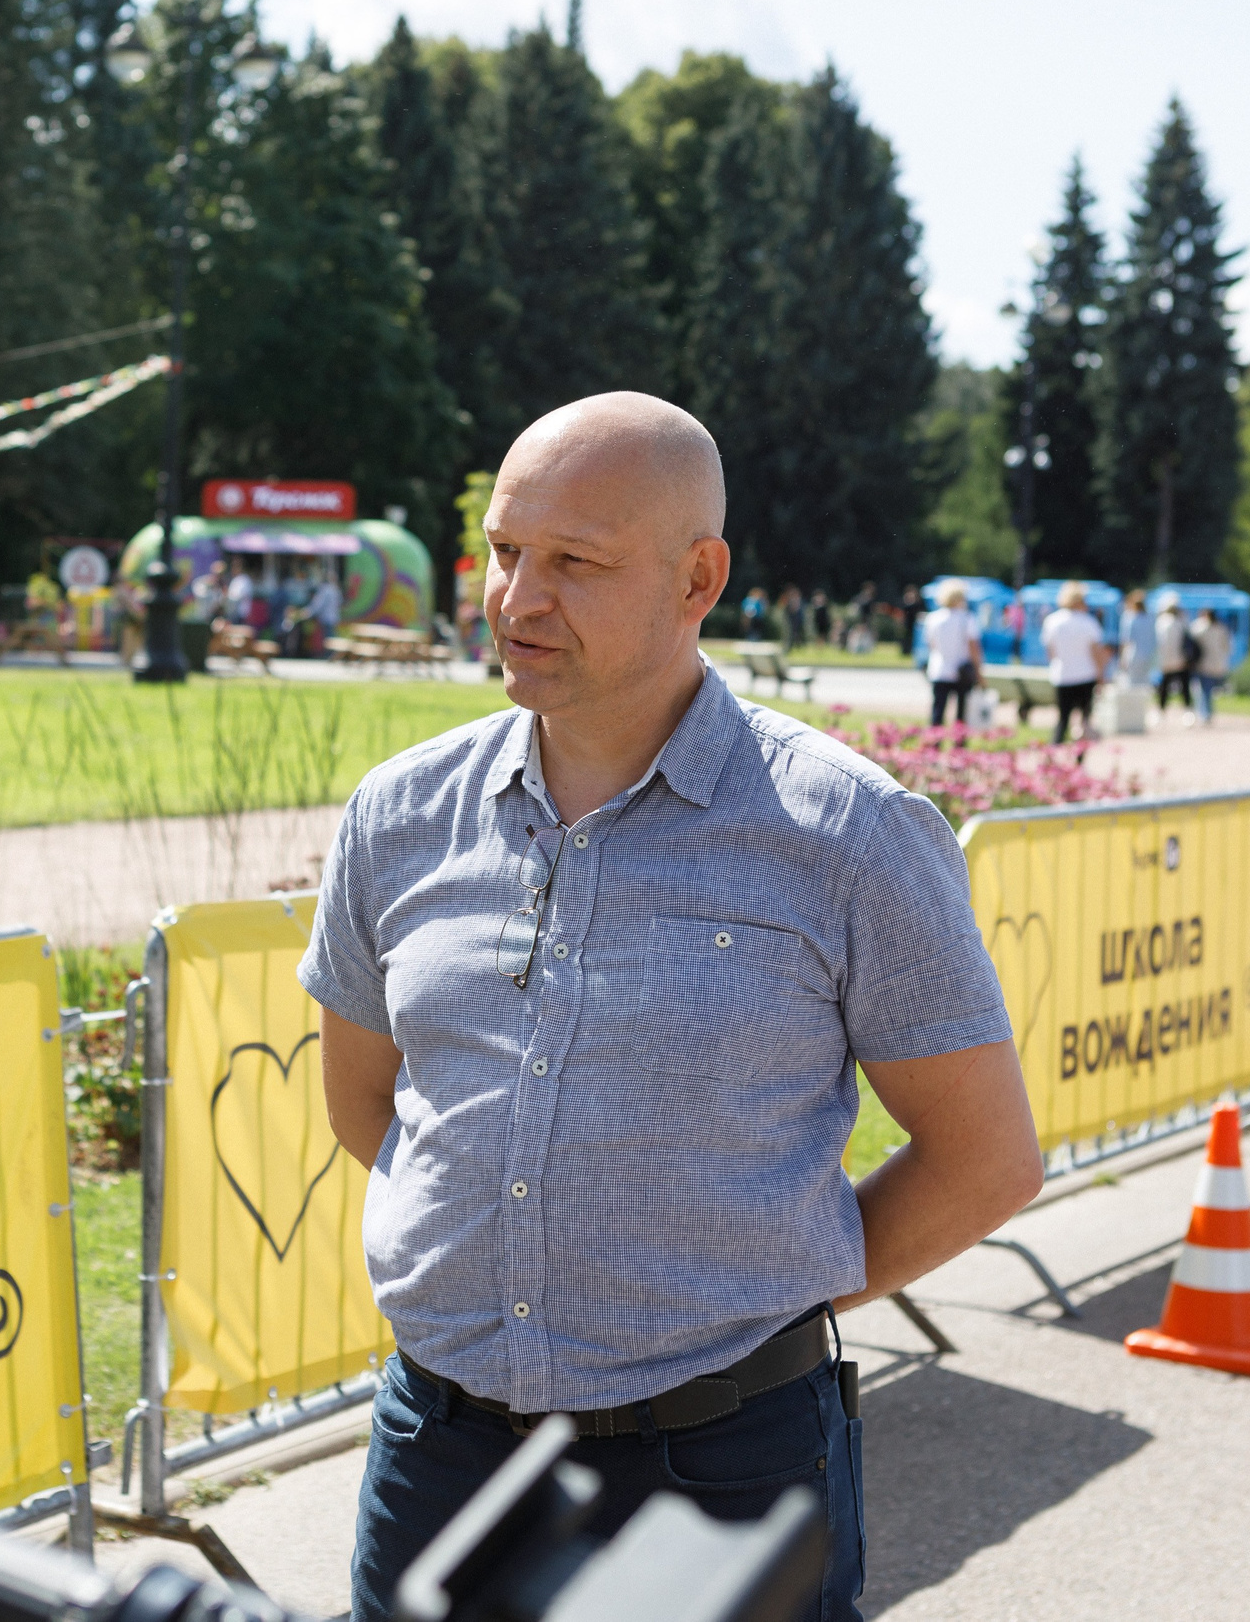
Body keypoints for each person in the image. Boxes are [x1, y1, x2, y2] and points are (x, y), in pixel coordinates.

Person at [305, 393, 1040, 1622]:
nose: (515, 598)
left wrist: (745, 1294)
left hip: (721, 1464)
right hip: (443, 1450)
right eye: (503, 551)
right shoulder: (398, 814)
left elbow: (985, 1159)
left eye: (574, 563)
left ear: (698, 578)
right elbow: (367, 1104)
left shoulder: (848, 834)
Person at [1040, 580, 1110, 745]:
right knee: (1084, 721)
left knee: (1063, 719)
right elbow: (1096, 653)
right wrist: (1101, 675)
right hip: (1086, 676)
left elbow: (1051, 653)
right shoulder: (1089, 622)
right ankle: (1079, 760)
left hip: (1062, 675)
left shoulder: (1052, 621)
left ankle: (1054, 755)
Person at [924, 580, 980, 727]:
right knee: (961, 714)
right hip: (961, 670)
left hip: (939, 669)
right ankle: (959, 745)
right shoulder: (967, 618)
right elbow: (973, 647)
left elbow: (931, 645)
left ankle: (934, 743)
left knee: (938, 712)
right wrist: (979, 671)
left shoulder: (932, 618)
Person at [1153, 595, 1194, 722]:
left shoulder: (1161, 622)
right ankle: (1187, 712)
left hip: (1167, 661)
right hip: (1181, 660)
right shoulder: (1182, 621)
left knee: (1165, 687)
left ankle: (1161, 711)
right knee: (1184, 687)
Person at [1192, 606, 1233, 723]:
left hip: (1204, 663)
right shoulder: (1221, 629)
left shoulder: (1200, 628)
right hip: (1217, 663)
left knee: (1204, 689)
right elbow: (1228, 647)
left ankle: (1205, 713)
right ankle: (1207, 712)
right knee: (1207, 689)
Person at [1117, 589, 1157, 686]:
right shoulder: (1151, 618)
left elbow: (1125, 640)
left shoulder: (1129, 618)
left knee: (1132, 683)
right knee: (1145, 682)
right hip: (1149, 654)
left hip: (1133, 655)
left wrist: (1122, 657)